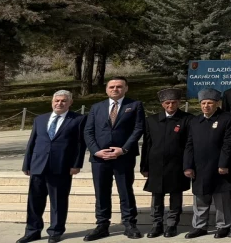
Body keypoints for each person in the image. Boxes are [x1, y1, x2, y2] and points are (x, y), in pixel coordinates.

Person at [83, 76, 145, 240]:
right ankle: (102, 225)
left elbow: (138, 129)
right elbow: (88, 131)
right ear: (106, 89)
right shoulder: (97, 107)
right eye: (111, 87)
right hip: (100, 158)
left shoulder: (135, 105)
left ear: (126, 88)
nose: (115, 89)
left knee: (125, 191)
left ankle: (129, 224)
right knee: (101, 192)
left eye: (119, 86)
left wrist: (123, 149)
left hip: (123, 157)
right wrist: (96, 151)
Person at [20, 90, 86, 243]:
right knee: (34, 201)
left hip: (61, 166)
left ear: (70, 102)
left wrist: (76, 165)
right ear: (52, 102)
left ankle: (55, 231)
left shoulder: (78, 119)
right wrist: (27, 164)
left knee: (58, 201)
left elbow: (79, 145)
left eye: (63, 101)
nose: (59, 103)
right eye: (56, 100)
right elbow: (32, 143)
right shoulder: (40, 119)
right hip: (38, 165)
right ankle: (32, 230)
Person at [182, 88, 231, 239]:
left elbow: (228, 143)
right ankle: (199, 227)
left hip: (219, 167)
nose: (206, 106)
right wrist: (188, 166)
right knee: (200, 199)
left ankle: (223, 226)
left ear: (217, 103)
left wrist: (224, 164)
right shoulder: (195, 121)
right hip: (199, 167)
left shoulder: (227, 118)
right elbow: (189, 145)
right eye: (203, 103)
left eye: (210, 103)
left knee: (221, 200)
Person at [140, 88, 191, 239]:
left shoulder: (187, 119)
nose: (170, 105)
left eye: (174, 102)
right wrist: (144, 166)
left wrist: (188, 165)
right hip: (156, 165)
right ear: (162, 104)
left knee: (176, 196)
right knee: (157, 197)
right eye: (167, 103)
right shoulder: (152, 120)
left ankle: (172, 224)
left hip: (177, 165)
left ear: (179, 103)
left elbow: (190, 144)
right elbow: (146, 145)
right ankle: (157, 224)